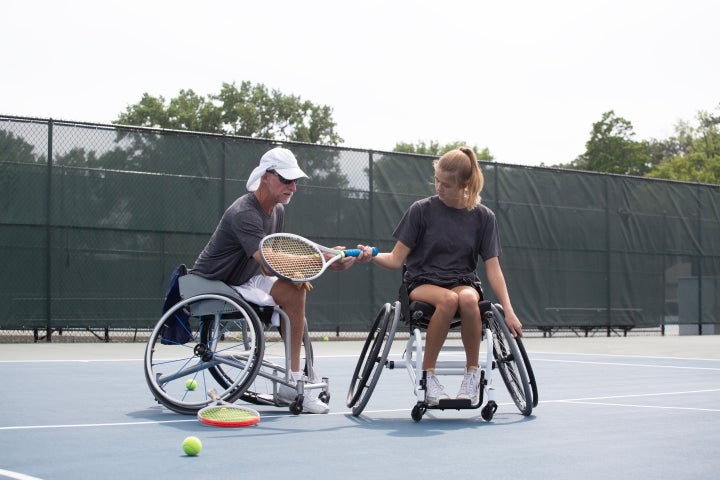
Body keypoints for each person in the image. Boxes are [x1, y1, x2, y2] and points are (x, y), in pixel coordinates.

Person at [189, 146, 366, 414]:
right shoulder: (243, 212)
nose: (293, 187)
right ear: (265, 177)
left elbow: (276, 258)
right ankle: (295, 381)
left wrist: (330, 255)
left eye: (294, 181)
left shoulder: (278, 210)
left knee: (294, 293)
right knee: (294, 290)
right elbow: (271, 263)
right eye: (286, 180)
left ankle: (293, 378)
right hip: (213, 284)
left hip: (244, 281)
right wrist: (325, 260)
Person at [357, 147, 523, 406]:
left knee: (468, 300)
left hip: (463, 283)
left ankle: (472, 376)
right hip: (422, 283)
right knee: (447, 300)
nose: (439, 187)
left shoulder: (484, 218)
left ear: (464, 184)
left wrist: (510, 311)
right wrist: (372, 254)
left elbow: (493, 269)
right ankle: (428, 375)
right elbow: (396, 259)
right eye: (436, 180)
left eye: (446, 184)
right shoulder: (420, 210)